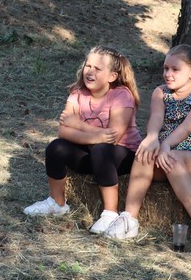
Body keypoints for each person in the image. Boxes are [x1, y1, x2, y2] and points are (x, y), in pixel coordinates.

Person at [102, 45, 191, 260]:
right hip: (165, 151)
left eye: (175, 69)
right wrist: (151, 138)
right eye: (166, 68)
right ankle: (129, 219)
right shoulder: (161, 92)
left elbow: (189, 125)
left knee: (173, 158)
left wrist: (165, 144)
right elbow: (156, 118)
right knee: (144, 153)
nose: (168, 74)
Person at [22, 46, 142, 229]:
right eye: (88, 66)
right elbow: (63, 132)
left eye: (98, 68)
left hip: (122, 157)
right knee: (56, 147)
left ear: (112, 76)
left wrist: (78, 125)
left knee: (101, 150)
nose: (90, 71)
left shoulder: (121, 95)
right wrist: (96, 136)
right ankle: (57, 203)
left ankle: (110, 214)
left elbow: (112, 138)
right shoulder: (77, 93)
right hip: (91, 153)